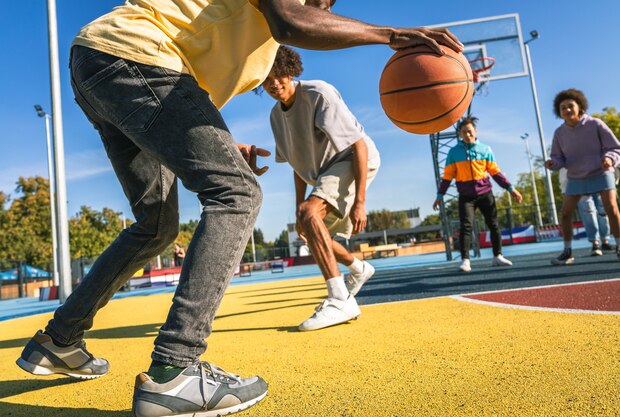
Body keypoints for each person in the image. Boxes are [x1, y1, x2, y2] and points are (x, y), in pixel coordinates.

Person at [15, 1, 464, 416]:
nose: (323, 9)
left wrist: (228, 145)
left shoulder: (256, 44)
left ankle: (59, 340)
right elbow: (292, 20)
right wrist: (391, 34)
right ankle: (174, 370)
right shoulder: (281, 19)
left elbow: (181, 105)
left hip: (102, 65)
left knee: (156, 225)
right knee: (238, 194)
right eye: (321, 3)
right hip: (137, 58)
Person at [262, 45, 379, 331]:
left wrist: (360, 201)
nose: (275, 83)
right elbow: (297, 164)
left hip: (353, 159)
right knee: (310, 227)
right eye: (267, 78)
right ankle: (359, 268)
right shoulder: (275, 117)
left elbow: (359, 145)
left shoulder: (318, 93)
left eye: (280, 75)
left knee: (309, 212)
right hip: (325, 172)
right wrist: (298, 210)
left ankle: (340, 299)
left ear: (291, 71)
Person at [433, 115, 523, 273]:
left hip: (485, 193)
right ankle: (465, 260)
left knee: (493, 225)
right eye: (463, 132)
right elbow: (447, 177)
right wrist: (440, 196)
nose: (467, 135)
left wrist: (511, 189)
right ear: (460, 134)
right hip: (466, 196)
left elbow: (495, 173)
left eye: (469, 131)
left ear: (475, 131)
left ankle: (497, 256)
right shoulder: (454, 153)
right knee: (466, 227)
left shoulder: (485, 149)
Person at [545, 88, 620, 265]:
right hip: (576, 177)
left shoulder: (595, 124)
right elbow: (558, 158)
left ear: (580, 106)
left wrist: (609, 159)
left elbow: (618, 149)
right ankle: (567, 252)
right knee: (565, 213)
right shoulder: (559, 133)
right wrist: (553, 163)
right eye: (562, 107)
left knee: (611, 208)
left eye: (570, 106)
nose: (566, 110)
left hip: (601, 173)